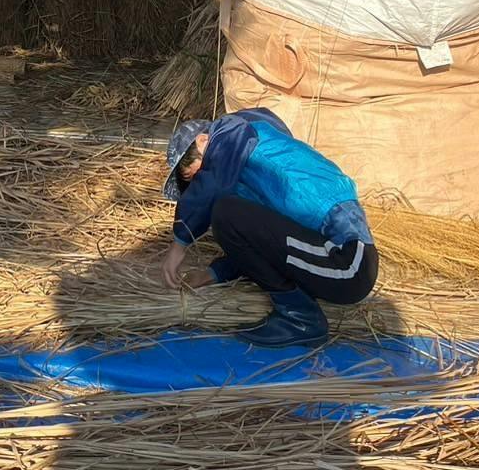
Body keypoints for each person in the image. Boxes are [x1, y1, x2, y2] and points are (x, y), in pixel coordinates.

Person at [159, 108, 377, 347]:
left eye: (199, 174)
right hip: (329, 259)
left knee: (226, 211)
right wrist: (214, 274)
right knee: (231, 214)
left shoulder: (231, 129)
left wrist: (179, 242)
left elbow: (214, 187)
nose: (201, 183)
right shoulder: (254, 181)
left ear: (203, 141)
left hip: (349, 265)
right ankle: (298, 315)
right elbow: (263, 242)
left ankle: (302, 319)